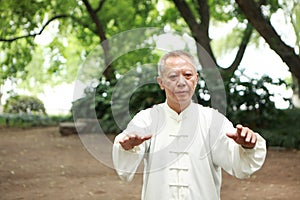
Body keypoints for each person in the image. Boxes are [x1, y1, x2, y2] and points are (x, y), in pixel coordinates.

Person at [112, 50, 267, 200]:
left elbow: (238, 164)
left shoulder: (213, 120)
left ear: (196, 79)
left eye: (187, 75)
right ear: (161, 82)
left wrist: (247, 147)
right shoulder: (147, 118)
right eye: (173, 76)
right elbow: (126, 159)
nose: (181, 82)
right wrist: (127, 147)